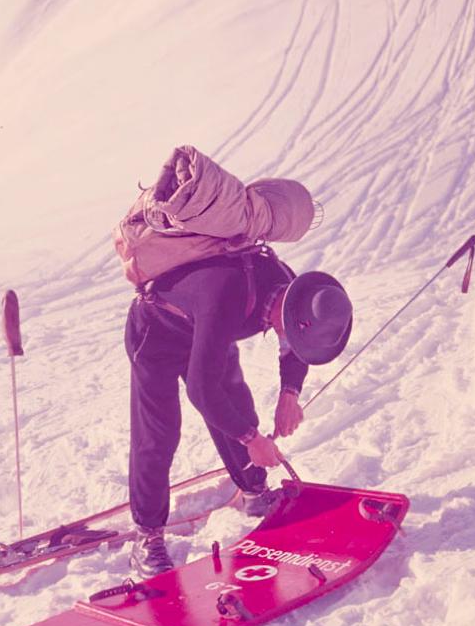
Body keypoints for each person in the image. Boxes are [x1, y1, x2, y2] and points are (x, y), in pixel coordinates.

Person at [125, 235, 353, 578]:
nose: (285, 334)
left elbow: (294, 344)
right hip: (157, 335)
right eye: (287, 327)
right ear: (287, 311)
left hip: (209, 332)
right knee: (159, 434)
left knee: (236, 403)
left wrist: (289, 393)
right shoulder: (226, 297)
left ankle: (253, 492)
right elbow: (201, 391)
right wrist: (252, 440)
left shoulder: (290, 289)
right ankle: (147, 536)